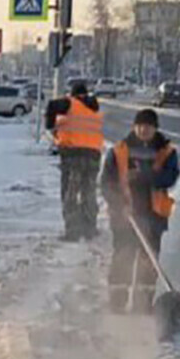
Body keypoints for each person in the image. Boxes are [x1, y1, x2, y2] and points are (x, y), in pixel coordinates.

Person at [100, 108, 180, 314]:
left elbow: (170, 177)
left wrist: (146, 176)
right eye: (140, 125)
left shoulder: (167, 152)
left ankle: (143, 306)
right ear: (134, 126)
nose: (144, 130)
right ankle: (117, 303)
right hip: (125, 217)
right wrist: (118, 204)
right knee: (123, 258)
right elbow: (106, 182)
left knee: (148, 262)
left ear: (155, 128)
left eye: (149, 126)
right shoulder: (119, 151)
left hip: (154, 217)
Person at [46, 82, 105, 241]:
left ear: (73, 94)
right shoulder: (94, 109)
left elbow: (51, 105)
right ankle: (90, 228)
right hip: (93, 155)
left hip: (73, 155)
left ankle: (73, 231)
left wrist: (50, 126)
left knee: (70, 193)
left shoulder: (69, 103)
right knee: (89, 192)